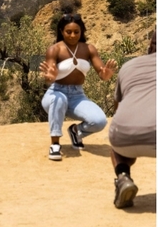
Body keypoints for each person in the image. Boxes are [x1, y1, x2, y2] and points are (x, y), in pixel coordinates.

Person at [39, 13, 117, 162]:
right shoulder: (55, 49)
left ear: (81, 32)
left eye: (77, 32)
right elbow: (49, 77)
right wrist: (51, 77)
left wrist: (107, 74)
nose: (73, 35)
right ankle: (55, 144)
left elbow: (102, 73)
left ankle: (76, 132)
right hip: (55, 93)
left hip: (77, 95)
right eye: (68, 32)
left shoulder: (89, 49)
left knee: (99, 121)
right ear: (61, 31)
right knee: (60, 99)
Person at [108, 30, 156, 208]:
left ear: (150, 45)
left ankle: (123, 177)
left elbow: (117, 109)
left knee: (118, 146)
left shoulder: (128, 66)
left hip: (124, 136)